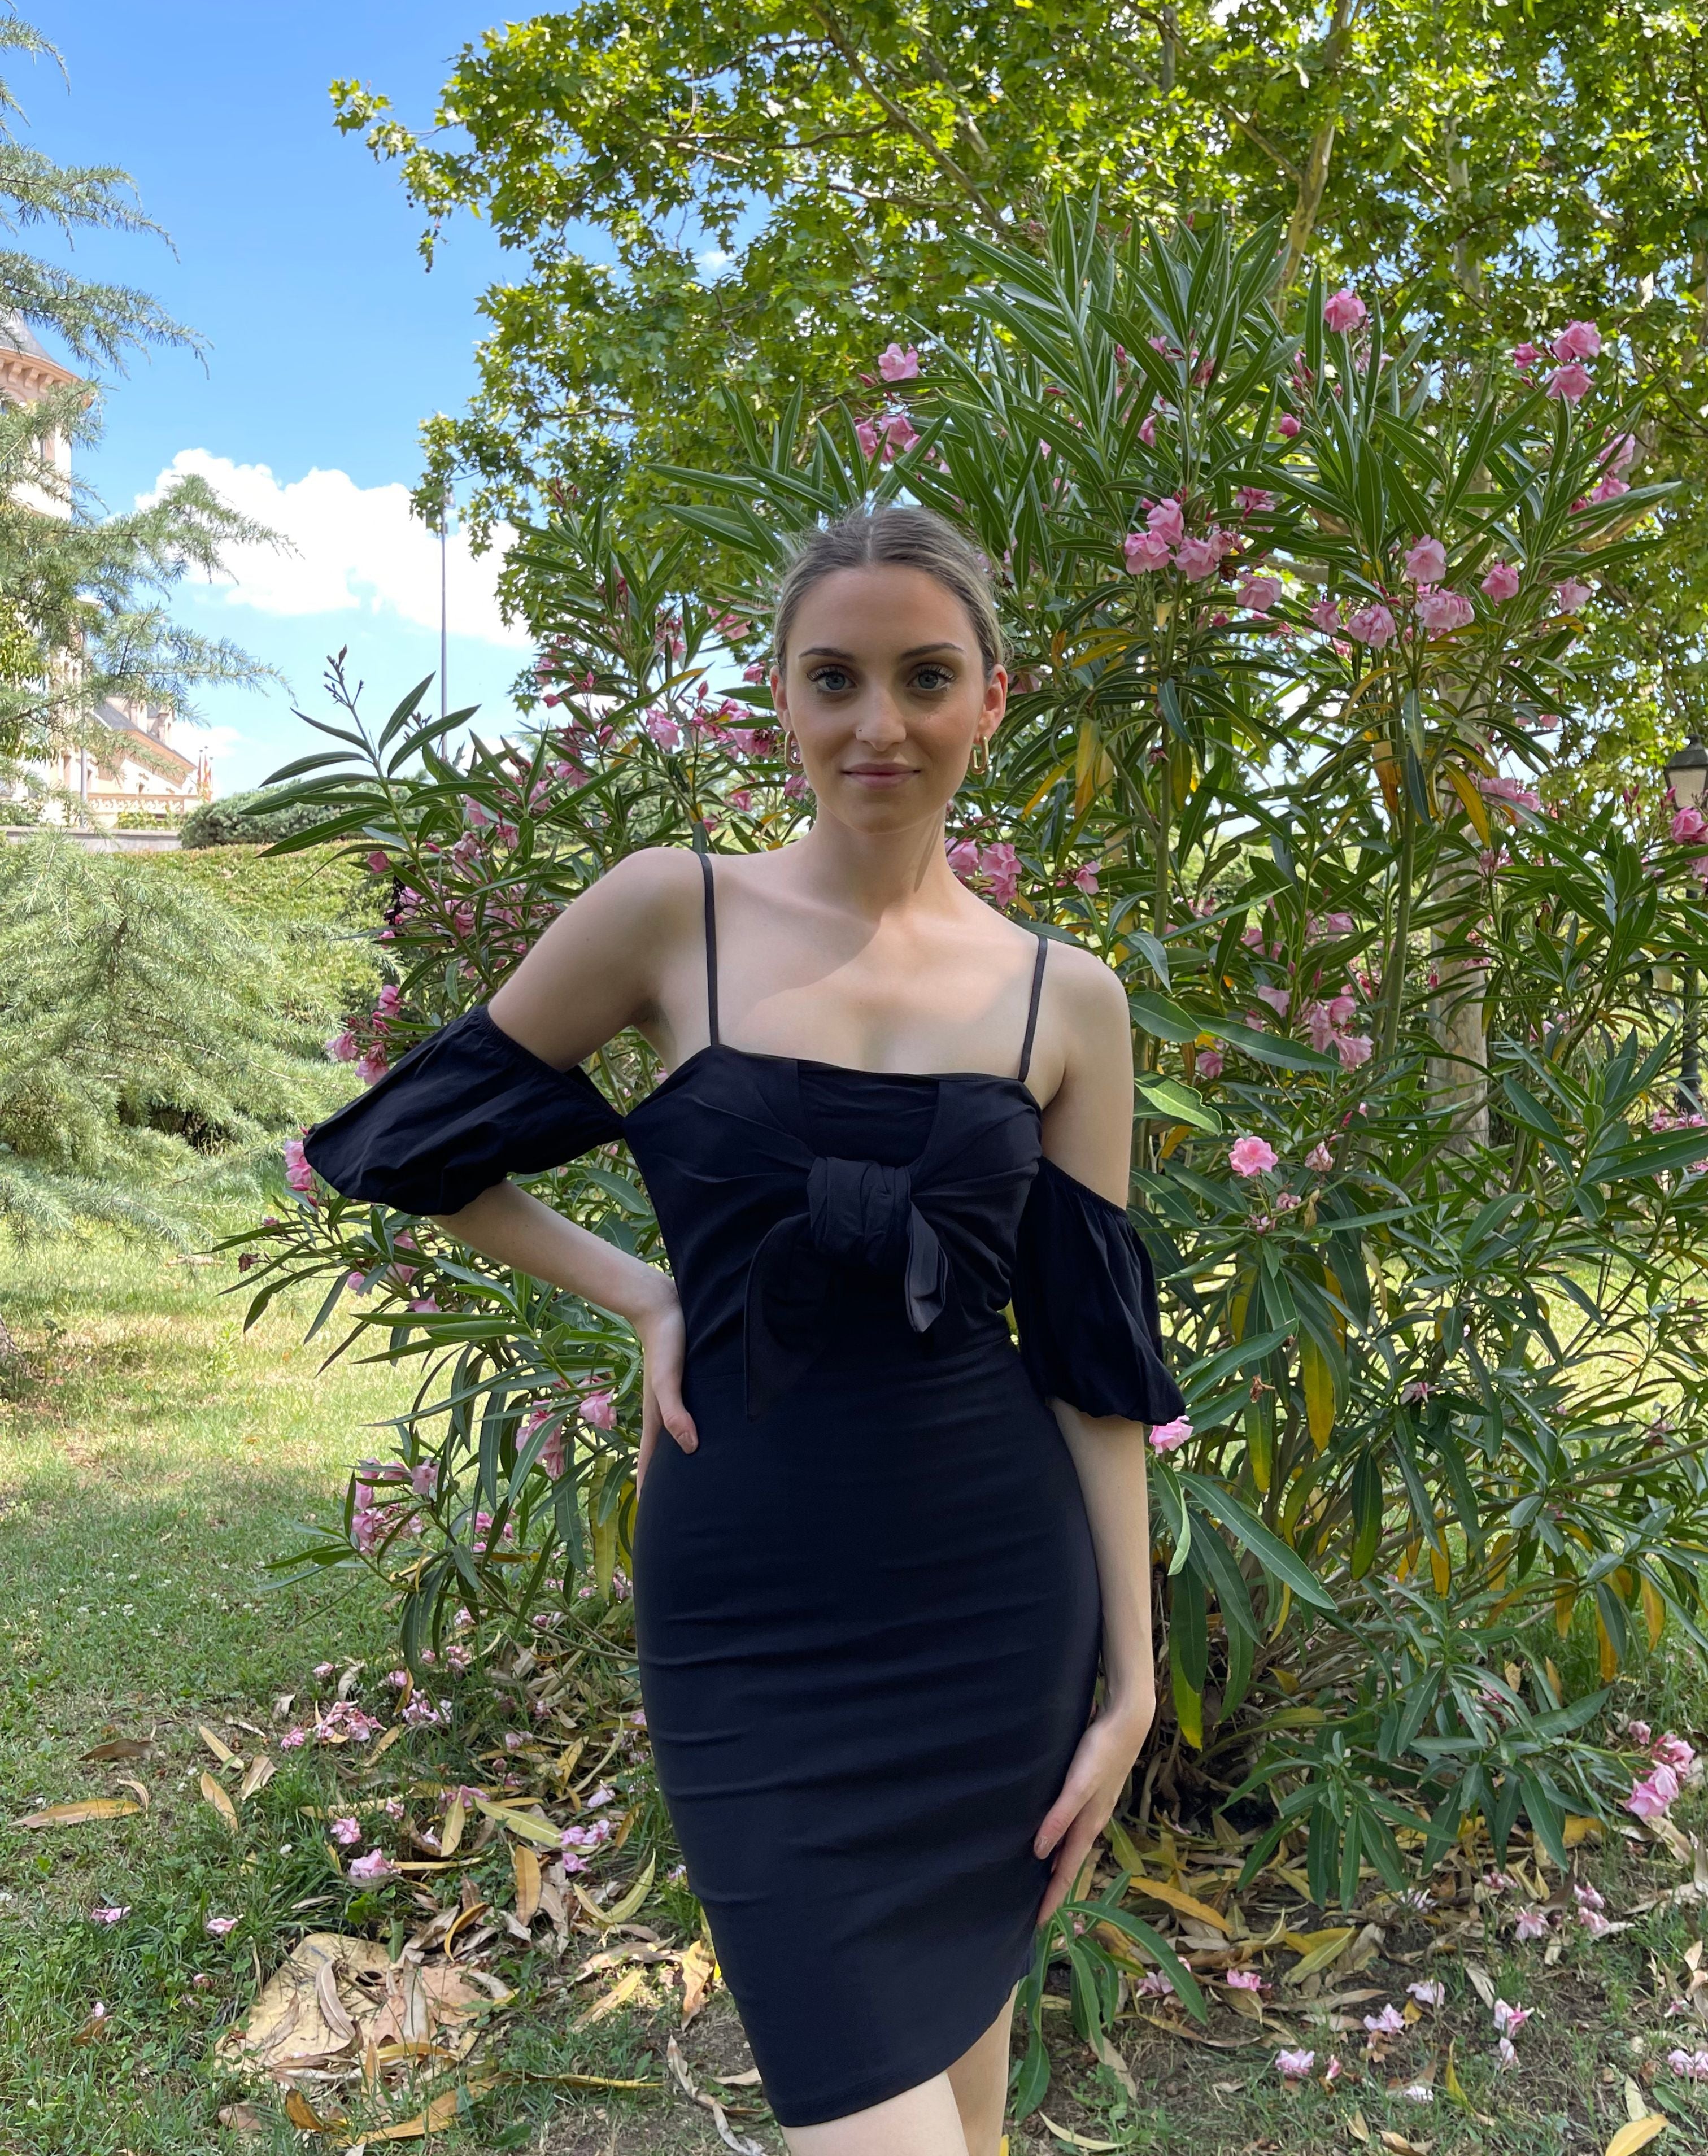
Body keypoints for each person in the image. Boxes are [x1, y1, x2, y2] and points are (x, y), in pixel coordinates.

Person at [304, 504, 1186, 2156]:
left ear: (993, 697)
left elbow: (1094, 1368)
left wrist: (1132, 1682)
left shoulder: (1067, 1000)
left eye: (927, 677)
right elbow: (413, 1148)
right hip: (749, 1614)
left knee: (971, 2099)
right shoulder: (673, 911)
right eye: (834, 677)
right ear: (779, 695)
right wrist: (646, 1289)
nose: (880, 723)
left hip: (994, 1610)